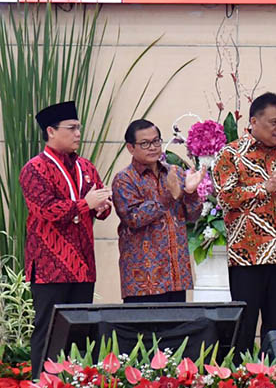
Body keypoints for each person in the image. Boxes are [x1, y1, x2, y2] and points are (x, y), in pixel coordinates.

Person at [211, 92, 276, 360]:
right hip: (247, 255)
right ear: (254, 121)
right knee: (243, 328)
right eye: (273, 122)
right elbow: (226, 199)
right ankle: (241, 376)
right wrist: (265, 187)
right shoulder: (230, 154)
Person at [19, 101, 112, 379]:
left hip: (83, 265)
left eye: (78, 128)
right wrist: (86, 204)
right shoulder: (34, 169)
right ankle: (41, 381)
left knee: (81, 331)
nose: (77, 134)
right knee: (48, 329)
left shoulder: (85, 166)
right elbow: (46, 209)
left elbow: (102, 205)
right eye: (71, 128)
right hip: (49, 266)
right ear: (51, 131)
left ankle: (79, 382)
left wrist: (101, 206)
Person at [112, 119, 204, 303]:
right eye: (145, 143)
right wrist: (170, 195)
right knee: (144, 332)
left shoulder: (176, 172)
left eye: (156, 141)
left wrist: (191, 192)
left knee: (178, 331)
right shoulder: (124, 179)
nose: (153, 147)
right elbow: (134, 218)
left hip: (176, 275)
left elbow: (193, 216)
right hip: (144, 281)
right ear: (130, 148)